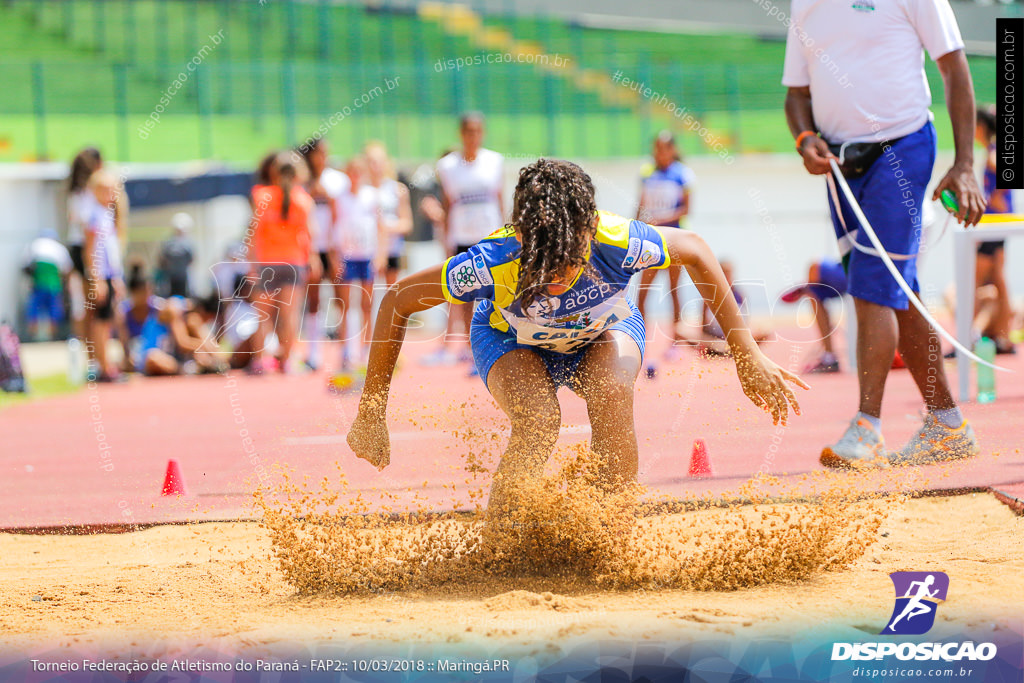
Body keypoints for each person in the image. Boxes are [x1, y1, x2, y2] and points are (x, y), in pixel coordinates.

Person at [347, 159, 806, 517]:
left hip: (602, 332)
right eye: (544, 265)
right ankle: (502, 547)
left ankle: (606, 530)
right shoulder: (494, 260)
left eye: (569, 262)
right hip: (513, 343)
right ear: (524, 241)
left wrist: (745, 356)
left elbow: (697, 250)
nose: (558, 279)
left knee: (611, 393)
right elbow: (397, 301)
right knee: (539, 421)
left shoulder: (616, 239)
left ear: (588, 235)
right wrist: (371, 411)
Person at [783, 0, 984, 468]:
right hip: (839, 165)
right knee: (898, 292)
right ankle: (947, 424)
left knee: (873, 283)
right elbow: (796, 95)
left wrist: (965, 164)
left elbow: (954, 69)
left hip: (904, 145)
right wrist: (803, 139)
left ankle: (867, 427)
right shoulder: (803, 4)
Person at [427, 112, 505, 367]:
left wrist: (506, 233)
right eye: (468, 132)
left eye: (477, 131)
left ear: (482, 133)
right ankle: (473, 350)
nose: (473, 136)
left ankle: (495, 346)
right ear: (461, 134)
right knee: (466, 293)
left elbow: (499, 198)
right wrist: (447, 239)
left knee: (494, 292)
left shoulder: (495, 161)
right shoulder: (447, 166)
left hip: (489, 235)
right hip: (462, 235)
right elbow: (447, 203)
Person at [249, 151, 316, 374]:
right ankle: (287, 360)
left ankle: (260, 361)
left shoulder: (261, 195)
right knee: (290, 315)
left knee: (264, 316)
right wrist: (310, 260)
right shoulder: (303, 200)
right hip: (293, 261)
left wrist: (252, 265)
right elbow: (308, 235)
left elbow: (254, 234)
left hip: (267, 261)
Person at [635, 131, 695, 377]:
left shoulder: (683, 174)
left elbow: (686, 209)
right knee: (641, 295)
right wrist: (635, 226)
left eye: (664, 148)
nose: (660, 152)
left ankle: (675, 344)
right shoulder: (646, 172)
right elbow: (640, 205)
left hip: (673, 241)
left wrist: (661, 219)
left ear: (672, 149)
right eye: (657, 148)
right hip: (649, 242)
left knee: (673, 291)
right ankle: (641, 344)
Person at [298, 137, 349, 370]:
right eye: (319, 153)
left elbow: (344, 215)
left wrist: (337, 248)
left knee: (342, 298)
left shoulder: (338, 180)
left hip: (334, 247)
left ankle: (347, 353)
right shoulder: (301, 180)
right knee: (313, 300)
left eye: (326, 153)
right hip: (311, 248)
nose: (323, 157)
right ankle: (314, 354)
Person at [333, 155, 386, 371]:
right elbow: (334, 226)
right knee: (346, 303)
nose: (355, 176)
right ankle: (347, 349)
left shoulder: (372, 196)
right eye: (351, 172)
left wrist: (380, 253)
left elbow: (380, 225)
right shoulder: (340, 198)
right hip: (347, 254)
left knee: (367, 303)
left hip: (367, 254)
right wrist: (335, 255)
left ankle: (366, 348)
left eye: (358, 172)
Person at [972, 107, 1015, 354]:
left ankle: (971, 336)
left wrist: (996, 197)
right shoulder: (992, 151)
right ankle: (1004, 337)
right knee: (998, 279)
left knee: (976, 279)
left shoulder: (992, 152)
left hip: (994, 224)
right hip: (998, 223)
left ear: (982, 127)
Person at [83, 171, 126, 382]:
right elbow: (91, 251)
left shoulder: (108, 215)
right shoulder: (95, 215)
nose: (109, 194)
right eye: (104, 189)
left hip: (109, 275)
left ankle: (106, 363)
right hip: (101, 276)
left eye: (111, 190)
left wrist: (116, 277)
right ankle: (103, 365)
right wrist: (97, 279)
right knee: (101, 321)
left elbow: (111, 251)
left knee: (107, 321)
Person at [780, 259, 849, 374]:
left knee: (815, 267)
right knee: (814, 289)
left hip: (857, 268)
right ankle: (829, 356)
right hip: (855, 269)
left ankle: (829, 356)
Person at [66, 148, 103, 344]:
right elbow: (87, 224)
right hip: (84, 248)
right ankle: (93, 355)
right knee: (92, 305)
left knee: (86, 305)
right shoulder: (86, 193)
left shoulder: (75, 192)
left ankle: (91, 355)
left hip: (77, 247)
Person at [365, 141, 413, 286]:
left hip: (393, 250)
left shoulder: (397, 190)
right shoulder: (361, 190)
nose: (375, 166)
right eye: (371, 162)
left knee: (393, 294)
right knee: (368, 299)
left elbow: (407, 224)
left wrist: (385, 227)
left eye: (379, 161)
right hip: (367, 251)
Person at [22, 229, 72, 342]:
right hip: (54, 286)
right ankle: (53, 338)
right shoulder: (59, 248)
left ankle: (32, 338)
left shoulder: (33, 245)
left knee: (33, 311)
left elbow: (25, 266)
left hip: (38, 284)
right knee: (53, 312)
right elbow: (66, 269)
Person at [157, 212, 195, 298]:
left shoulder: (189, 243)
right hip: (170, 278)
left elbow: (192, 259)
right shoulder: (168, 242)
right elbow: (162, 259)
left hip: (184, 277)